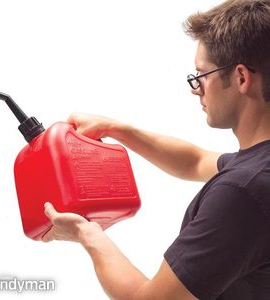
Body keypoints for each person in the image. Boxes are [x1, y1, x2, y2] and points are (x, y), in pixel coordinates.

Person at [41, 0, 270, 299]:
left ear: (241, 78)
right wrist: (118, 129)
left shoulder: (242, 193)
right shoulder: (256, 167)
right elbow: (195, 161)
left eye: (201, 75)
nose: (195, 88)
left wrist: (87, 234)